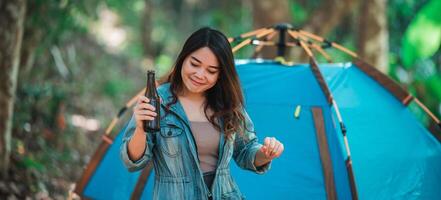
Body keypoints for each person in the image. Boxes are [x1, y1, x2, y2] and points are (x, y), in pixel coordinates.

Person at [120, 27, 284, 200]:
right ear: (183, 58)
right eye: (195, 64)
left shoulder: (227, 103)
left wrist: (265, 154)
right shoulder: (158, 99)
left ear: (220, 74)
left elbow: (245, 151)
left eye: (211, 71)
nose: (200, 74)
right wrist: (140, 128)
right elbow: (132, 162)